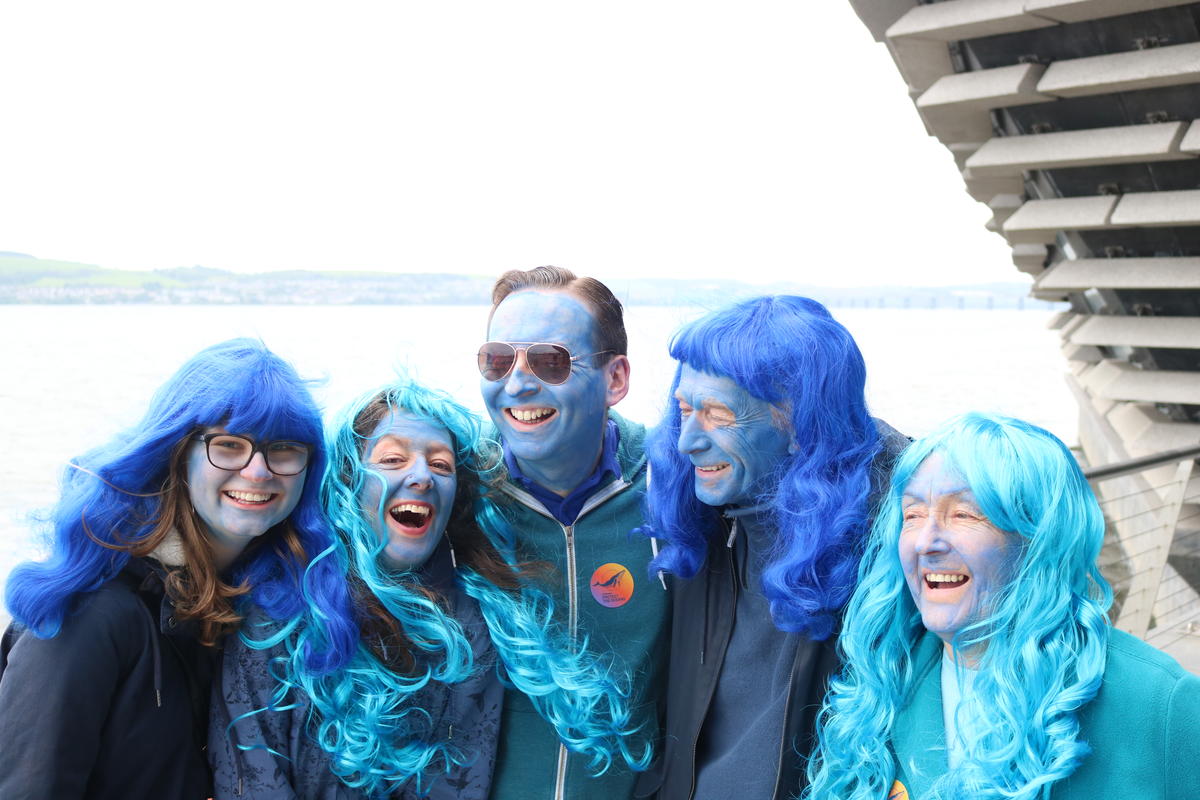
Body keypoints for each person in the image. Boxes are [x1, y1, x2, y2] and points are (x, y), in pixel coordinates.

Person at [211, 378, 649, 799]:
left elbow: (461, 783)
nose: (422, 476)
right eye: (392, 460)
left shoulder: (474, 630)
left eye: (441, 465)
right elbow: (250, 780)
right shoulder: (274, 620)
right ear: (346, 481)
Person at [0, 338, 341, 800]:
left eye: (283, 449)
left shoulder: (258, 612)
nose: (258, 471)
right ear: (177, 453)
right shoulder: (92, 614)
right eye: (228, 445)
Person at [806, 412, 1200, 800]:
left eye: (964, 514)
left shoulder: (1163, 706)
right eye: (913, 515)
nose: (926, 542)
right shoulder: (883, 683)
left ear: (1040, 539)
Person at [639, 295, 909, 800]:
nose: (685, 442)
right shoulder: (704, 521)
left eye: (717, 414)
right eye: (684, 409)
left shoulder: (899, 537)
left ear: (799, 421)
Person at [477, 266, 670, 799]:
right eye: (497, 360)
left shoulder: (674, 489)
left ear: (616, 379)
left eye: (550, 361)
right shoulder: (457, 499)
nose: (517, 382)